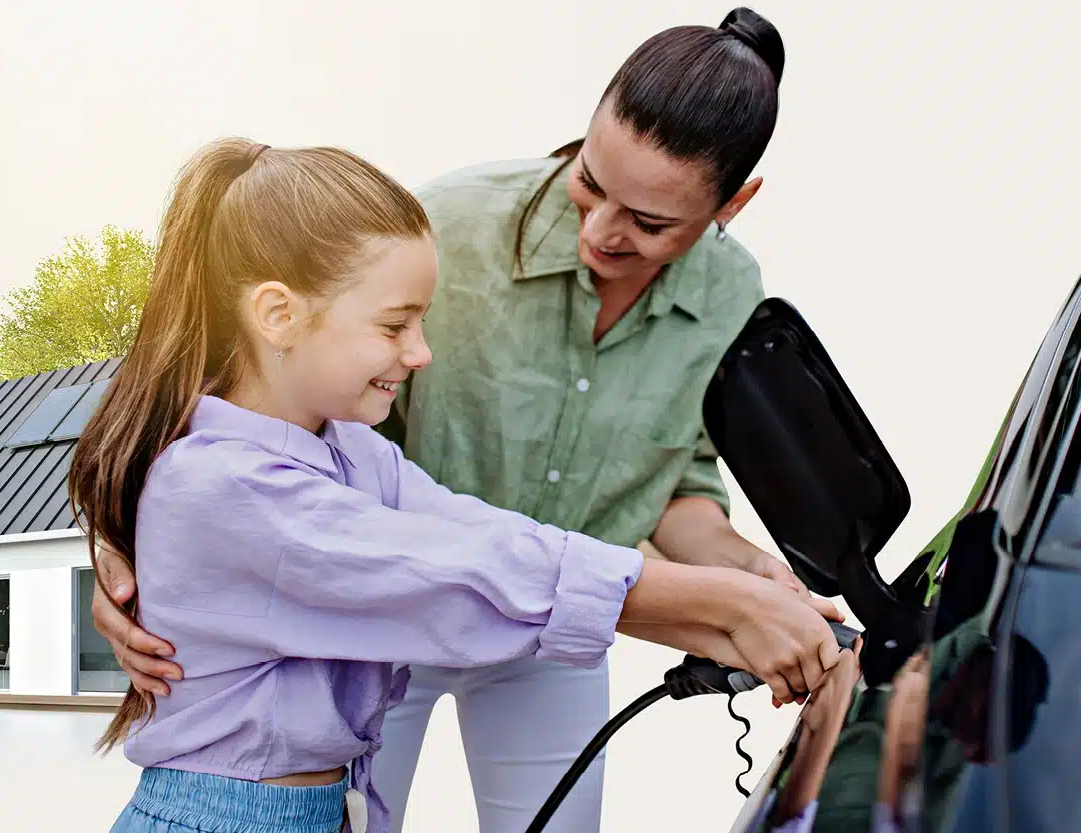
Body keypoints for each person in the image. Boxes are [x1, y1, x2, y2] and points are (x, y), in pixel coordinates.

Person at [91, 8, 819, 832]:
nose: (600, 229)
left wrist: (744, 586)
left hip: (550, 608)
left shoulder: (730, 297)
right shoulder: (440, 226)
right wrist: (126, 540)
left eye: (650, 222)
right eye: (588, 179)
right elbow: (421, 553)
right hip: (379, 613)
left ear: (733, 204)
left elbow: (663, 483)